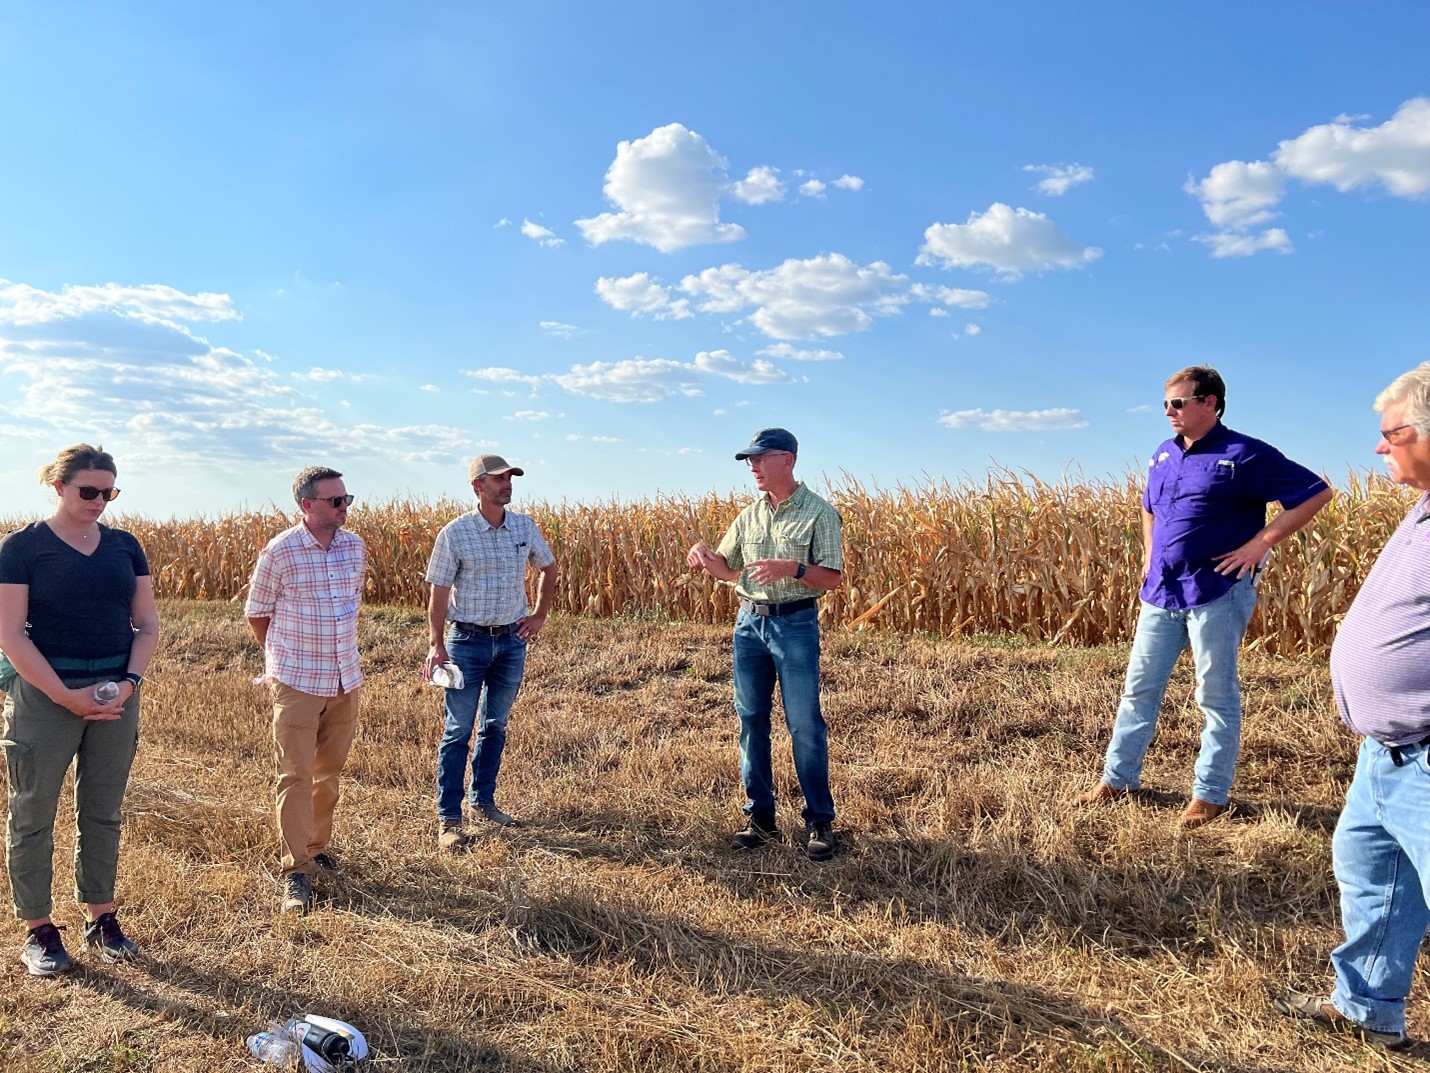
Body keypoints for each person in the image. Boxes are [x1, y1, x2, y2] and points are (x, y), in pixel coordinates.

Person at [1079, 366, 1331, 826]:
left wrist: (1262, 543)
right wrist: (1149, 556)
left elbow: (1315, 493)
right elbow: (1149, 510)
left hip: (1216, 592)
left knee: (1214, 695)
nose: (1169, 412)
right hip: (1161, 592)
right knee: (1139, 689)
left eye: (1179, 403)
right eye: (1166, 404)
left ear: (1209, 403)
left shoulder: (1245, 454)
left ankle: (1210, 794)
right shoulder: (1162, 455)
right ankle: (1117, 780)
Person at [1273, 363, 1430, 1051]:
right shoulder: (1423, 509)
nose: (1379, 446)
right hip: (1386, 753)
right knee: (1371, 869)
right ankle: (1367, 1004)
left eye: (1392, 432)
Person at [0, 445, 160, 976]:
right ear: (58, 487)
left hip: (115, 694)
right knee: (33, 813)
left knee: (102, 809)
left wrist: (130, 683)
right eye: (88, 491)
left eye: (108, 492)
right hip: (46, 695)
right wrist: (65, 696)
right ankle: (40, 930)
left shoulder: (125, 547)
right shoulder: (23, 548)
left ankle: (101, 916)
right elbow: (11, 637)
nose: (99, 501)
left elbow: (148, 625)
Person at [686, 428, 844, 861]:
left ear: (787, 460)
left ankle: (819, 821)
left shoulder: (820, 513)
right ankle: (760, 819)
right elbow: (728, 570)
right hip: (749, 626)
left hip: (795, 626)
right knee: (751, 721)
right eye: (748, 460)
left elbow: (832, 578)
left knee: (804, 725)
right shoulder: (748, 516)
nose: (752, 466)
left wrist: (793, 568)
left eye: (759, 458)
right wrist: (703, 552)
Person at [244, 467, 367, 915]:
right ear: (307, 505)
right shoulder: (281, 551)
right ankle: (295, 870)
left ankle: (317, 848)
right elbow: (257, 613)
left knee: (328, 773)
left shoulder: (355, 547)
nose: (344, 508)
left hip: (344, 676)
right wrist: (282, 660)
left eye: (346, 499)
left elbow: (349, 606)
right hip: (297, 679)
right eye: (335, 501)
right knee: (294, 775)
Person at [424, 455, 557, 851]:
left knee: (495, 725)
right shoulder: (456, 533)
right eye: (499, 479)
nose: (507, 484)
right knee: (458, 730)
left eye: (510, 478)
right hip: (467, 641)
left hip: (512, 641)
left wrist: (538, 615)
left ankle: (484, 801)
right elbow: (439, 592)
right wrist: (437, 644)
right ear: (478, 487)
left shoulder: (523, 526)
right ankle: (450, 818)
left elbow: (548, 567)